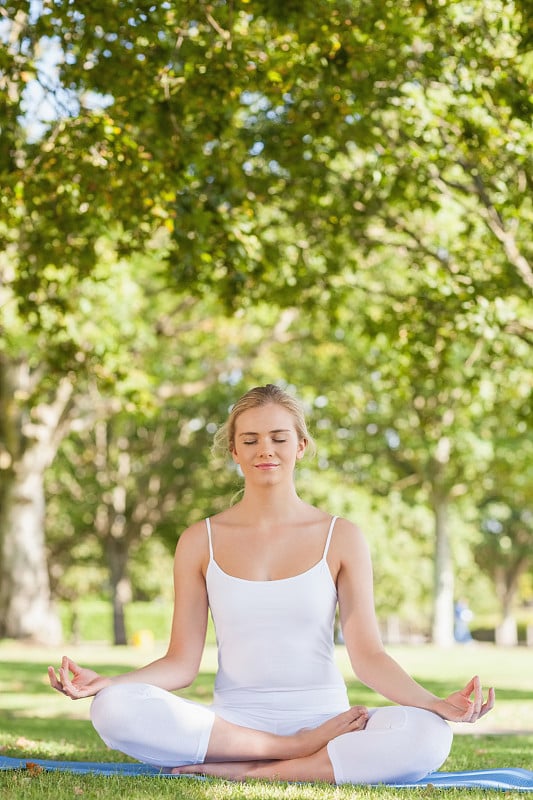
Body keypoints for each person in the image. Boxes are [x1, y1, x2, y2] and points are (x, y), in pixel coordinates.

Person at [49, 384, 494, 785]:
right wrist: (110, 683)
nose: (266, 449)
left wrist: (434, 703)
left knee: (428, 735)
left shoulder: (341, 536)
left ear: (301, 446)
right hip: (235, 726)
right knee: (112, 709)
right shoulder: (198, 541)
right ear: (233, 451)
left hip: (327, 719)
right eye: (251, 439)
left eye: (279, 438)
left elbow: (369, 657)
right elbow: (182, 664)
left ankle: (263, 771)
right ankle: (288, 752)